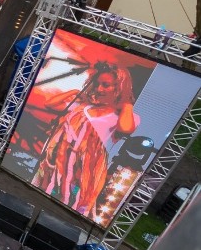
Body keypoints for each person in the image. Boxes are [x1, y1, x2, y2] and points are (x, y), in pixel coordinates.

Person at [31, 62, 140, 218]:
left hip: (86, 169)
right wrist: (74, 92)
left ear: (118, 88)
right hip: (58, 161)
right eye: (97, 84)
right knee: (47, 187)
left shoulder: (122, 117)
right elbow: (50, 104)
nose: (99, 89)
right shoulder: (82, 107)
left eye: (106, 85)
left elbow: (125, 128)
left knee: (73, 200)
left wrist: (127, 102)